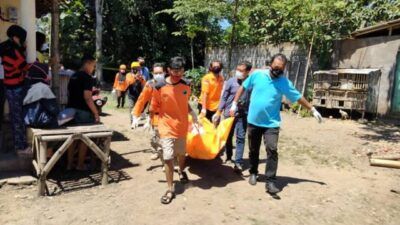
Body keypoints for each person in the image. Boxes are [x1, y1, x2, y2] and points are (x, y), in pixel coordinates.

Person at [230, 54, 323, 194]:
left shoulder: (284, 82)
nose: (277, 70)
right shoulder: (257, 75)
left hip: (271, 123)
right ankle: (254, 172)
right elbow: (243, 87)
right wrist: (234, 104)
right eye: (275, 67)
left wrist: (312, 109)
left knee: (272, 150)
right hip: (253, 121)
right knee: (253, 149)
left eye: (281, 68)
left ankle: (270, 181)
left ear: (284, 68)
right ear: (270, 64)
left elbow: (297, 96)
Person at [152, 56, 198, 204]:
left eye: (180, 71)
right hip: (165, 127)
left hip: (182, 127)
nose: (178, 74)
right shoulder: (159, 86)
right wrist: (151, 121)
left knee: (181, 154)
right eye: (175, 71)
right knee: (168, 157)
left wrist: (192, 113)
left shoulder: (187, 85)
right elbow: (154, 106)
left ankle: (181, 170)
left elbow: (184, 103)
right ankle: (170, 189)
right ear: (168, 70)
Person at [213, 61, 252, 170]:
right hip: (229, 114)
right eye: (237, 69)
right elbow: (224, 97)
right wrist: (219, 111)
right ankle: (229, 156)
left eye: (241, 70)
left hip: (243, 115)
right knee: (228, 136)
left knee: (240, 137)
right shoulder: (231, 81)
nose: (238, 72)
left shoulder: (251, 83)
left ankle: (238, 162)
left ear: (248, 71)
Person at [0, 25, 31, 156]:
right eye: (22, 38)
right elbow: (24, 66)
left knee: (14, 116)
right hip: (16, 87)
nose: (23, 41)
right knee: (18, 118)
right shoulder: (13, 51)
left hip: (7, 86)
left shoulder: (3, 47)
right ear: (15, 37)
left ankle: (18, 146)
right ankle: (20, 147)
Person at [66, 54, 99, 171]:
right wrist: (96, 113)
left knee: (72, 138)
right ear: (88, 63)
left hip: (70, 109)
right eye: (93, 65)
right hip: (83, 111)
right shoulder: (87, 77)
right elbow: (88, 98)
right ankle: (80, 165)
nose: (93, 68)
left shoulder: (73, 76)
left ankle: (69, 165)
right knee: (84, 139)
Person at [131, 63, 166, 162]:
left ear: (164, 72)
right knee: (154, 137)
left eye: (160, 72)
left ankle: (166, 162)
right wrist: (135, 115)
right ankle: (156, 152)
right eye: (156, 73)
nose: (158, 75)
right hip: (154, 116)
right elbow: (142, 100)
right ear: (152, 73)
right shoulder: (150, 84)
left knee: (166, 139)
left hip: (168, 116)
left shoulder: (169, 84)